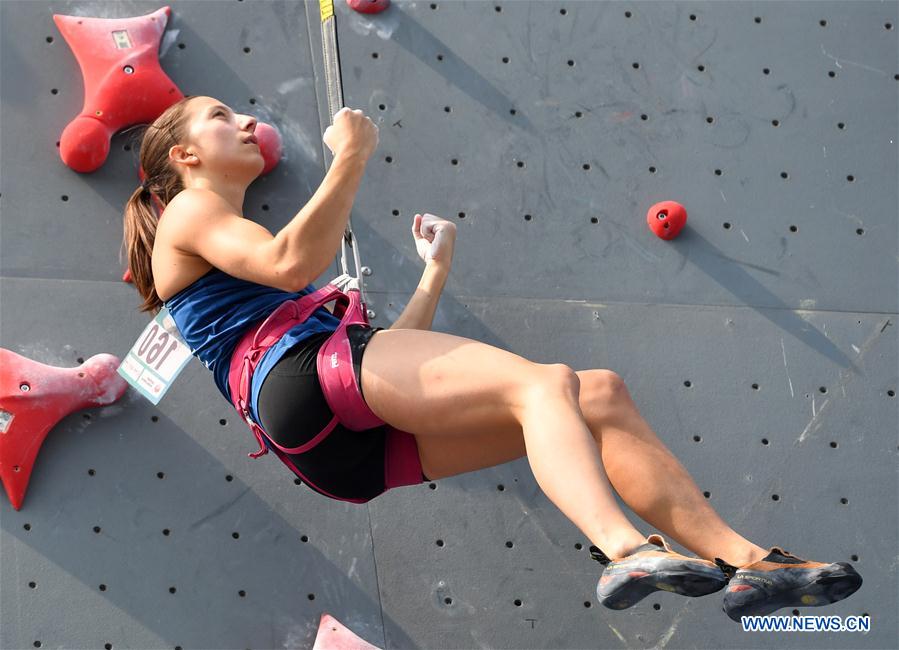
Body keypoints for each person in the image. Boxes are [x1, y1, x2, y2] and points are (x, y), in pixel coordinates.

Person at [121, 95, 861, 619]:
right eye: (222, 116)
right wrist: (352, 153)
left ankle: (748, 565)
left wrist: (434, 272)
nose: (248, 122)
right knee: (544, 385)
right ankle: (625, 548)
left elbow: (389, 363)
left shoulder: (225, 243)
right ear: (185, 155)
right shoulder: (189, 208)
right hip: (305, 381)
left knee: (595, 395)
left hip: (337, 446)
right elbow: (290, 263)